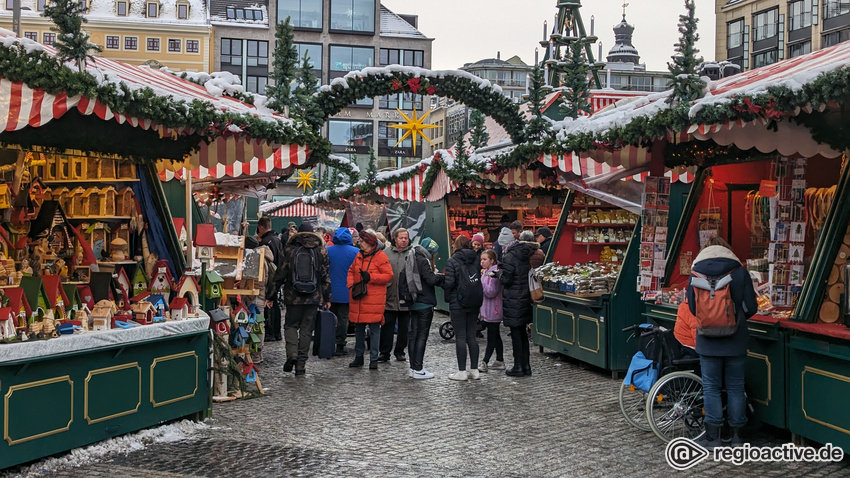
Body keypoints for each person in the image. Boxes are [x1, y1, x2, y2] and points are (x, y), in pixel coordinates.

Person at [686, 237, 757, 450]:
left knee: (711, 387)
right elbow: (751, 306)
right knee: (735, 386)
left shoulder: (696, 272)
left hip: (707, 339)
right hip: (735, 339)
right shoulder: (739, 271)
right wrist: (736, 318)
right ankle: (736, 436)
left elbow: (692, 307)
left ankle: (713, 437)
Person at [280, 223, 331, 376]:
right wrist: (327, 297)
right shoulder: (321, 250)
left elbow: (280, 273)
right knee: (307, 329)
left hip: (292, 295)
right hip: (313, 296)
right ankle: (301, 365)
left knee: (290, 326)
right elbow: (325, 277)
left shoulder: (289, 249)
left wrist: (271, 294)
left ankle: (292, 354)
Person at [347, 231, 394, 369]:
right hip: (359, 298)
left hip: (373, 299)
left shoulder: (380, 257)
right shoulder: (359, 255)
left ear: (369, 242)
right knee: (359, 330)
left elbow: (388, 275)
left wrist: (371, 277)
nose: (359, 242)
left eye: (361, 241)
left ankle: (373, 359)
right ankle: (359, 357)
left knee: (374, 330)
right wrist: (350, 285)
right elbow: (351, 271)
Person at [441, 235, 483, 381]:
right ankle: (475, 370)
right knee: (472, 335)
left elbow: (449, 283)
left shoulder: (452, 261)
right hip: (474, 301)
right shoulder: (476, 259)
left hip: (457, 302)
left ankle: (461, 371)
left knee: (460, 336)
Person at [500, 230, 539, 377]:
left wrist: (499, 275)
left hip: (514, 299)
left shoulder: (510, 257)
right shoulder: (524, 255)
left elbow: (507, 280)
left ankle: (518, 366)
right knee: (522, 333)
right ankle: (526, 366)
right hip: (524, 298)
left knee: (516, 334)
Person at [404, 237, 444, 379]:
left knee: (413, 335)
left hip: (414, 301)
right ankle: (419, 367)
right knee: (422, 335)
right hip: (424, 302)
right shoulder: (424, 260)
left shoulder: (413, 255)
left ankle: (413, 368)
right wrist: (441, 277)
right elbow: (430, 280)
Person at [379, 227, 414, 363]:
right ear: (395, 239)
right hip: (389, 295)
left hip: (406, 296)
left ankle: (400, 351)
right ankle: (384, 352)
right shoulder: (385, 253)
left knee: (404, 328)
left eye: (406, 238)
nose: (404, 240)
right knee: (387, 326)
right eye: (401, 238)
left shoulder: (412, 253)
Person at [326, 227, 359, 356]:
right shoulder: (356, 252)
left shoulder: (328, 251)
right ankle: (341, 344)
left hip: (330, 291)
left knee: (330, 318)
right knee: (343, 318)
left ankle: (329, 342)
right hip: (347, 291)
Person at [257, 216, 284, 341]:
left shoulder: (265, 242)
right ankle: (277, 332)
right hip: (278, 275)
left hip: (270, 276)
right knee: (275, 304)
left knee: (269, 304)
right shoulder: (277, 239)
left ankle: (271, 332)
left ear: (261, 227)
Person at [479, 249, 505, 372]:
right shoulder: (486, 272)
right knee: (495, 335)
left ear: (492, 260)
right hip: (488, 309)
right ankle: (500, 360)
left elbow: (491, 292)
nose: (482, 262)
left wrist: (480, 285)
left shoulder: (494, 274)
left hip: (494, 309)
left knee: (492, 336)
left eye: (484, 259)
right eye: (481, 259)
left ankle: (485, 361)